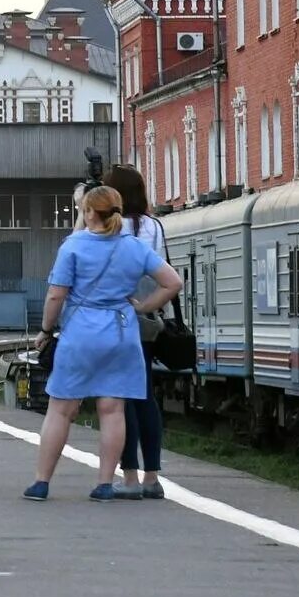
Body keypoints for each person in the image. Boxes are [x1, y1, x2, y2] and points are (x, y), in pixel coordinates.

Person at [24, 184, 182, 501]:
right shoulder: (134, 247)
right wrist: (144, 307)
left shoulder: (73, 246)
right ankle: (105, 484)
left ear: (88, 212)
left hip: (81, 335)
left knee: (61, 410)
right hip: (121, 334)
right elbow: (173, 282)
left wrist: (45, 328)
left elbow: (57, 294)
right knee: (112, 411)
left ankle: (42, 482)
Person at [106, 162, 169, 499]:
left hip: (114, 320)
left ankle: (129, 475)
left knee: (120, 400)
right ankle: (152, 477)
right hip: (145, 321)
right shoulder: (154, 227)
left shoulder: (108, 228)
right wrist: (145, 305)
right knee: (145, 396)